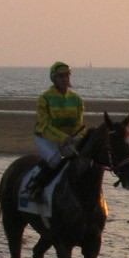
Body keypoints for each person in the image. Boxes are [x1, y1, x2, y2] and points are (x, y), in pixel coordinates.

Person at [22, 61, 87, 200]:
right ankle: (35, 188)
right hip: (45, 138)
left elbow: (79, 124)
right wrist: (64, 138)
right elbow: (45, 126)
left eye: (67, 76)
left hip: (69, 139)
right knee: (55, 160)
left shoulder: (76, 100)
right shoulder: (44, 99)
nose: (64, 79)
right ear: (54, 78)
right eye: (61, 76)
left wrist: (78, 137)